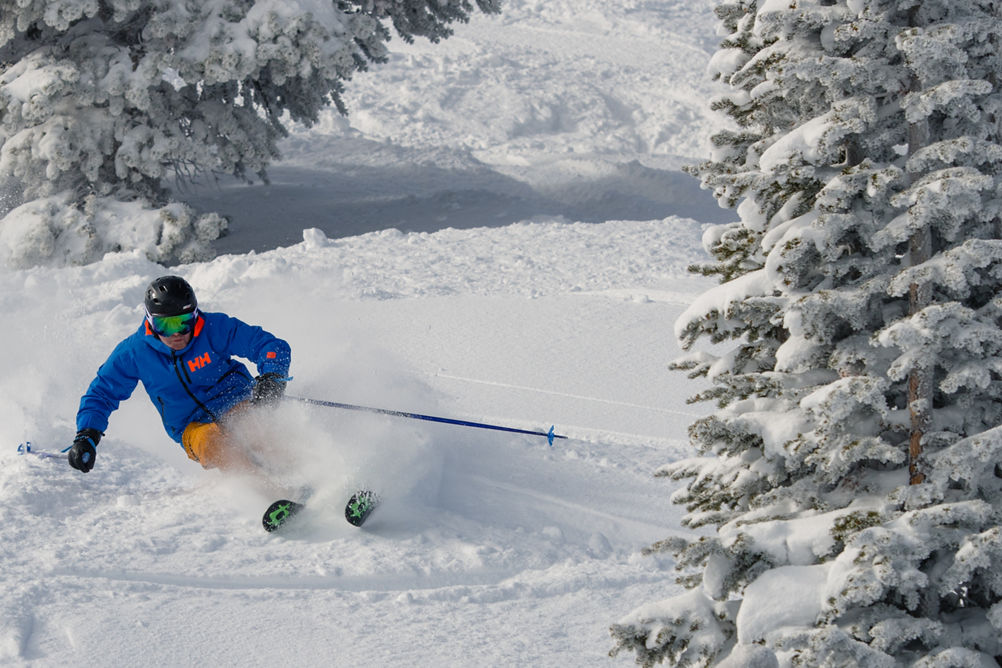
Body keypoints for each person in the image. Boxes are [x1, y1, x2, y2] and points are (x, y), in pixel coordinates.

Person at [68, 275, 292, 475]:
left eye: (183, 323)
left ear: (195, 316)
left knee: (257, 430)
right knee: (211, 443)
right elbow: (102, 392)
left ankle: (301, 470)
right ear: (150, 321)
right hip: (191, 426)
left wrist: (272, 376)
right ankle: (271, 493)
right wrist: (88, 434)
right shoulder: (134, 353)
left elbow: (268, 345)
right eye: (165, 325)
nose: (176, 333)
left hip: (237, 402)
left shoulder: (214, 328)